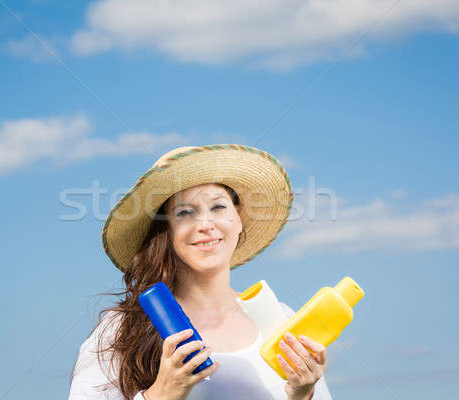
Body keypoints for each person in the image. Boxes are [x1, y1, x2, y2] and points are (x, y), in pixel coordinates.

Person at [69, 144, 333, 400]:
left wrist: (303, 396)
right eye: (185, 212)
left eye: (218, 207)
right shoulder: (122, 330)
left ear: (239, 220)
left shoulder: (282, 319)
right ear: (166, 232)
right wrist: (161, 394)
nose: (206, 224)